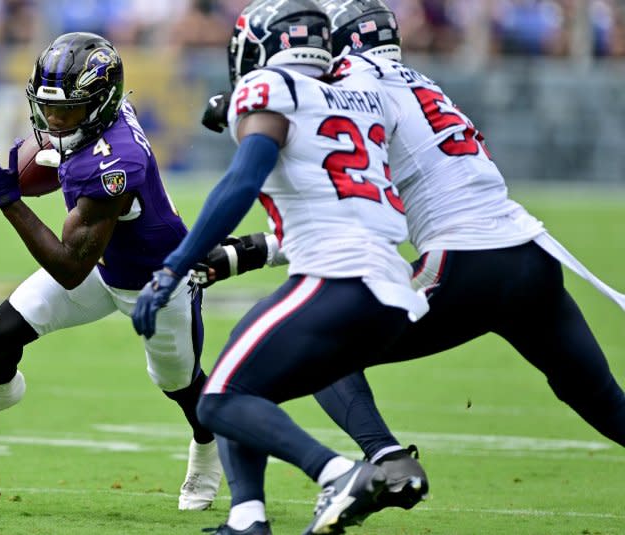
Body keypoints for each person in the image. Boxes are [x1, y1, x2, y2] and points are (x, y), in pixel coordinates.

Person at [197, 0, 625, 514]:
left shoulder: (350, 87)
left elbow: (342, 204)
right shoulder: (418, 82)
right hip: (528, 255)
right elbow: (369, 207)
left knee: (325, 340)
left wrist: (241, 102)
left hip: (465, 261)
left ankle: (387, 460)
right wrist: (248, 252)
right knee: (603, 400)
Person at [131, 1, 430, 534]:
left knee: (220, 397)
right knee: (246, 382)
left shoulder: (269, 88)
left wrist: (174, 266)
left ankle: (340, 473)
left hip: (334, 274)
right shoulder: (363, 95)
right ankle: (250, 517)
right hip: (389, 282)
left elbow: (241, 183)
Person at [0, 32, 223, 512]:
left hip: (156, 280)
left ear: (99, 104)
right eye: (49, 107)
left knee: (180, 384)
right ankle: (3, 390)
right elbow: (60, 162)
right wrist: (30, 168)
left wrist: (9, 201)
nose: (54, 119)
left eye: (67, 110)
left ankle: (207, 450)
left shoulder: (117, 161)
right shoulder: (94, 118)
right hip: (102, 263)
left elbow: (69, 268)